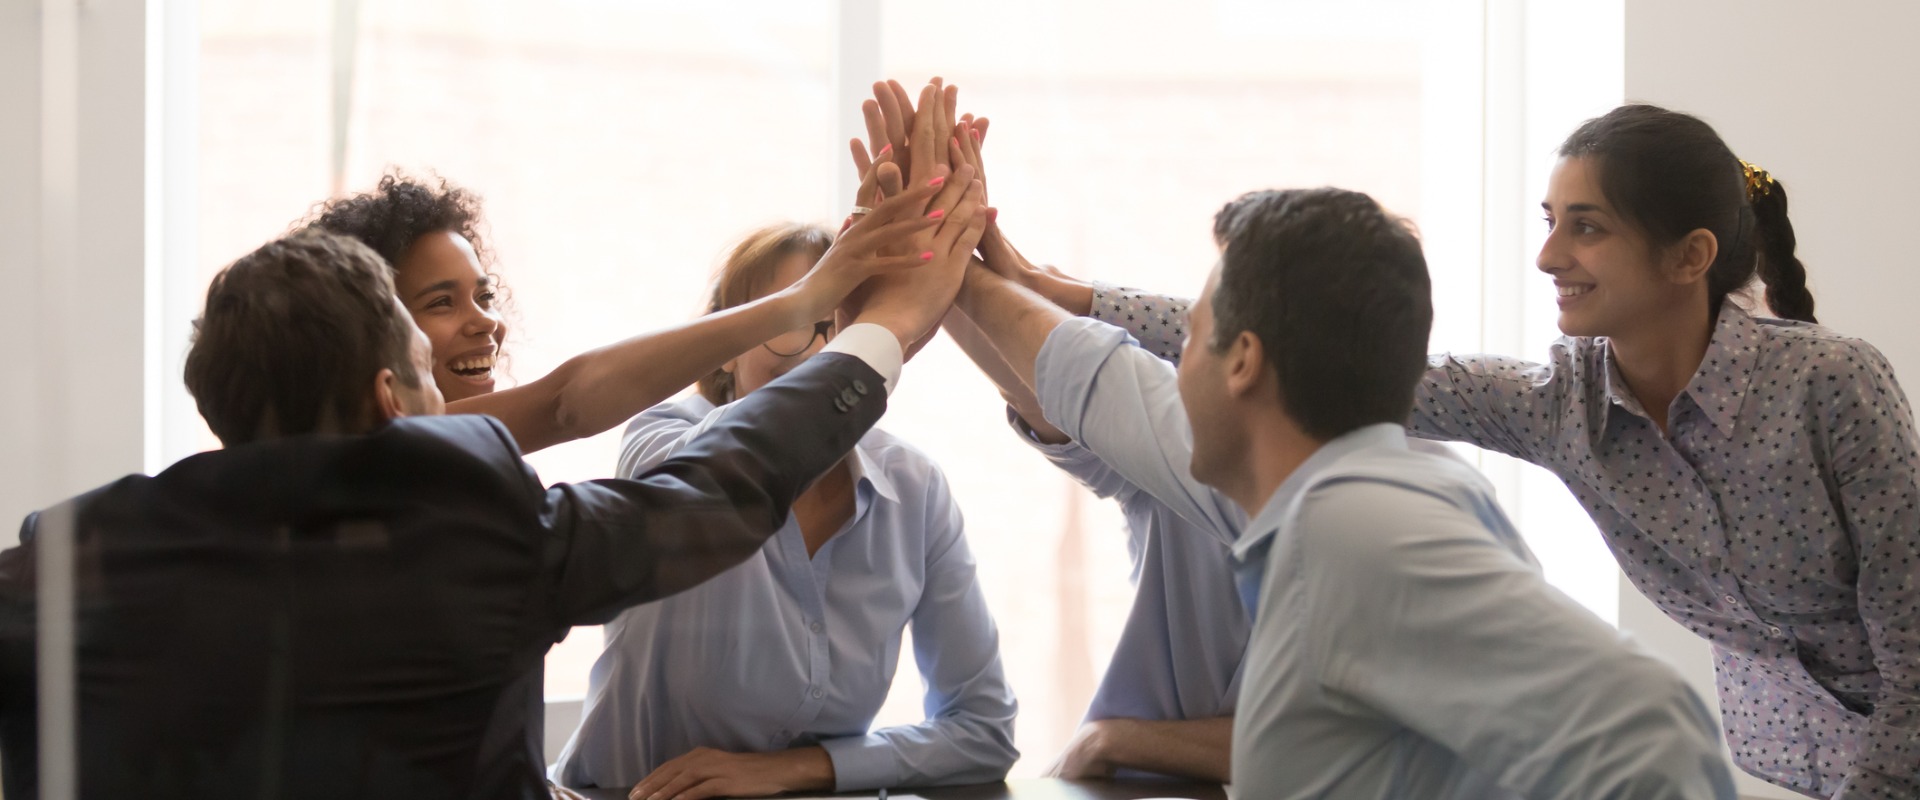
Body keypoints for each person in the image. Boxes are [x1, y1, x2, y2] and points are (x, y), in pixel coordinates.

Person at [1004, 104, 1920, 798]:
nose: (1548, 254)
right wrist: (1065, 295)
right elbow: (1300, 345)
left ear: (1691, 257)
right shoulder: (1565, 406)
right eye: (1548, 219)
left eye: (1586, 226)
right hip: (1799, 772)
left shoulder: (1830, 385)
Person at [0, 154, 984, 800]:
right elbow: (719, 484)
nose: (480, 335)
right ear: (393, 394)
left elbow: (560, 401)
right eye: (432, 355)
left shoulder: (73, 552)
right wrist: (882, 328)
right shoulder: (480, 528)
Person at [952, 185, 1736, 798]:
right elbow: (1104, 388)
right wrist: (950, 277)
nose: (1174, 366)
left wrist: (947, 269)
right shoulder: (1345, 504)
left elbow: (1655, 732)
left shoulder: (1361, 525)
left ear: (1243, 362)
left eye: (1189, 337)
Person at [550, 223, 1015, 798]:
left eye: (846, 324)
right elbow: (730, 458)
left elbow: (983, 731)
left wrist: (802, 768)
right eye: (793, 320)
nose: (825, 352)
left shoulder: (912, 487)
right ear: (724, 346)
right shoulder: (662, 438)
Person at [305, 172, 775, 455]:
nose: (486, 322)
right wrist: (799, 302)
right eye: (441, 303)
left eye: (484, 297)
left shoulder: (484, 466)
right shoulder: (366, 457)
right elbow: (563, 404)